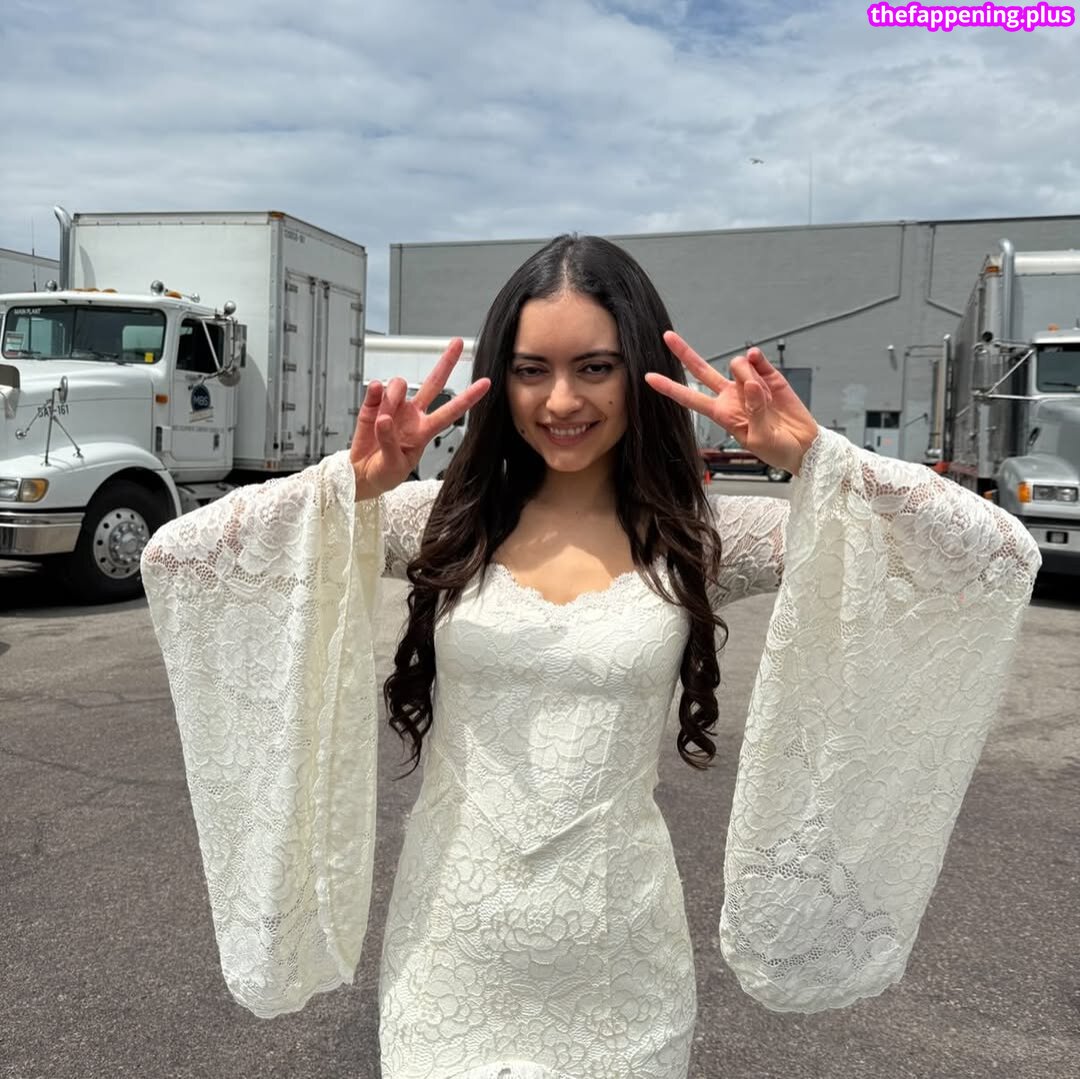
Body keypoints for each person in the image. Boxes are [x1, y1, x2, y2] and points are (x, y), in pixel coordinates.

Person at [142, 235, 1040, 1079]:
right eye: (532, 370)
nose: (561, 401)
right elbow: (180, 559)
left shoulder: (700, 537)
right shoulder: (442, 521)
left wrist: (819, 462)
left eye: (595, 367)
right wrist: (348, 486)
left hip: (622, 968)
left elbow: (992, 557)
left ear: (639, 371)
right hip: (448, 957)